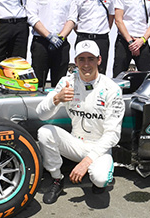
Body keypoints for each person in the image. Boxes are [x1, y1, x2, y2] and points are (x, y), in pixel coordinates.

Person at [36, 40, 125, 204]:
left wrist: (87, 161)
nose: (86, 65)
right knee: (45, 132)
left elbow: (113, 135)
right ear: (75, 62)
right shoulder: (67, 82)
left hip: (100, 148)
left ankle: (94, 175)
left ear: (99, 60)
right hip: (75, 142)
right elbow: (41, 114)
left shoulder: (112, 89)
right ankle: (57, 179)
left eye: (90, 59)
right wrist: (56, 99)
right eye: (81, 59)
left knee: (100, 179)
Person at [26, 0, 74, 89]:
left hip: (61, 43)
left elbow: (72, 18)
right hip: (41, 43)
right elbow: (31, 16)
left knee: (60, 85)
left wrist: (61, 37)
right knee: (38, 84)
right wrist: (48, 36)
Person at [69, 0, 115, 74]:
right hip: (83, 37)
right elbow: (74, 18)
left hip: (101, 39)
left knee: (101, 70)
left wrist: (103, 29)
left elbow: (111, 16)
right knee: (82, 70)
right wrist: (82, 32)